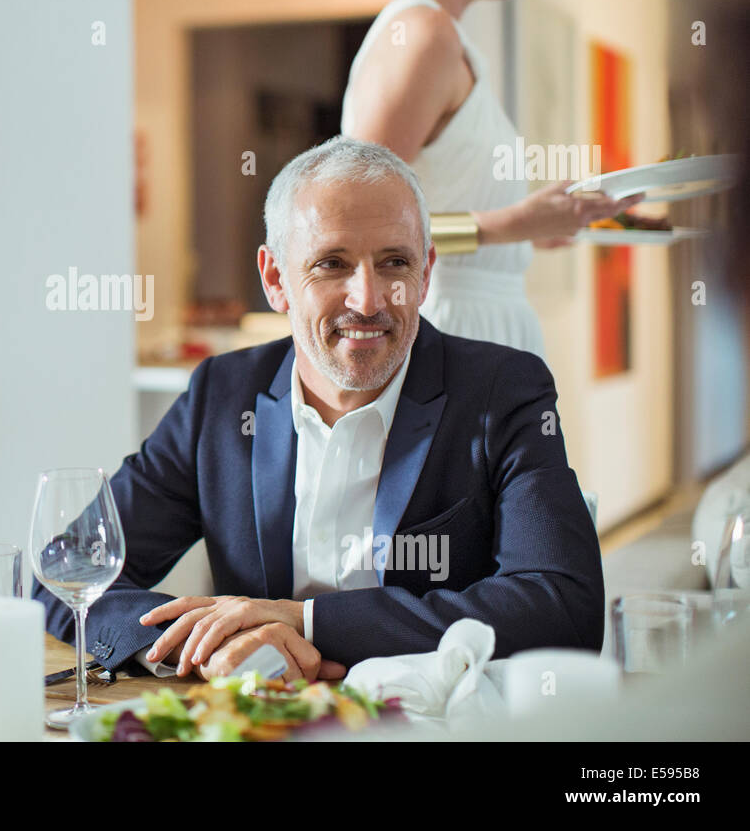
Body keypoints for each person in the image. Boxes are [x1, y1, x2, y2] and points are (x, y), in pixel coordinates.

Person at [34, 136, 604, 681]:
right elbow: (66, 576)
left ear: (426, 273)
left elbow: (565, 608)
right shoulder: (221, 397)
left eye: (394, 263)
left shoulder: (503, 391)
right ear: (276, 279)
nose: (369, 300)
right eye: (332, 263)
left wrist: (307, 623)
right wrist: (220, 640)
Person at [341, 0, 640, 357]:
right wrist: (517, 224)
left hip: (476, 331)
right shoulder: (420, 35)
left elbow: (427, 211)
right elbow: (355, 223)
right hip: (446, 337)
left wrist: (536, 227)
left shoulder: (448, 40)